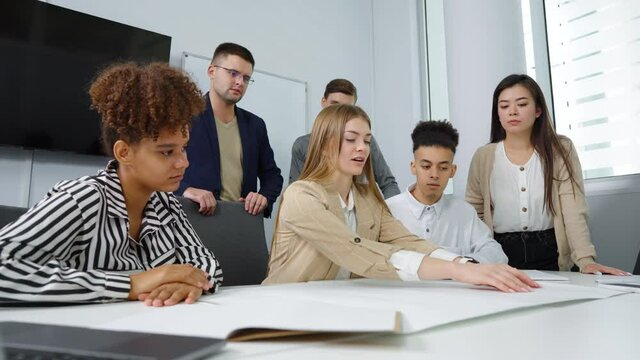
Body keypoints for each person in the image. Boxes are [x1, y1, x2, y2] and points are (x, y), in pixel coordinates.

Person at [0, 62, 223, 305]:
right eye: (167, 152)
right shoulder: (81, 199)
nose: (184, 163)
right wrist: (134, 283)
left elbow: (205, 262)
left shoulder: (166, 204)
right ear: (124, 153)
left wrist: (188, 283)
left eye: (184, 148)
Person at [264, 104, 539, 292]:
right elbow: (354, 248)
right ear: (325, 145)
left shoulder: (367, 199)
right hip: (285, 306)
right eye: (351, 139)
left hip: (341, 302)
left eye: (367, 140)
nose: (362, 148)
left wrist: (462, 264)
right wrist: (456, 271)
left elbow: (407, 240)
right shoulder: (301, 195)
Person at [466, 74, 628, 275]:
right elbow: (473, 212)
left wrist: (586, 260)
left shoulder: (561, 149)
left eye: (522, 104)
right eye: (504, 106)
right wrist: (479, 258)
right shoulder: (484, 156)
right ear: (497, 113)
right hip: (500, 254)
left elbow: (573, 208)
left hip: (551, 252)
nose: (512, 112)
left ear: (538, 110)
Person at [178, 42, 283, 217]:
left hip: (241, 222)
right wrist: (185, 190)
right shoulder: (184, 117)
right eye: (233, 73)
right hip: (193, 219)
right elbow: (156, 168)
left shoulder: (256, 125)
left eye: (246, 78)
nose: (240, 82)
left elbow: (272, 175)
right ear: (212, 71)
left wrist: (263, 196)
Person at [386, 120, 507, 264]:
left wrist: (463, 264)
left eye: (443, 168)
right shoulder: (389, 210)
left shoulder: (464, 213)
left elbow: (496, 253)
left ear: (452, 170)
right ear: (413, 167)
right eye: (426, 166)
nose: (434, 174)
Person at [289, 79, 400, 198]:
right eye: (335, 105)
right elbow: (295, 191)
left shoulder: (365, 143)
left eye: (346, 108)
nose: (339, 113)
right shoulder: (303, 145)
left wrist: (391, 214)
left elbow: (388, 184)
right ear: (323, 102)